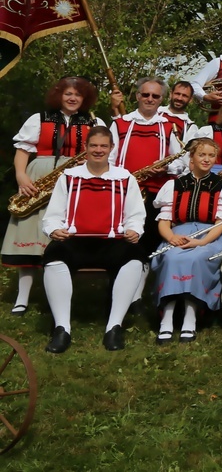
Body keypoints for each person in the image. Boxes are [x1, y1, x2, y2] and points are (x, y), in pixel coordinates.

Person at [40, 126, 145, 353]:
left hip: (112, 242)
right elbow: (53, 215)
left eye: (103, 146)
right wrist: (54, 230)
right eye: (94, 145)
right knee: (54, 255)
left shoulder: (125, 178)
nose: (98, 150)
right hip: (75, 241)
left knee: (135, 257)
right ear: (86, 147)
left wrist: (134, 230)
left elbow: (136, 215)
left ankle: (114, 326)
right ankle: (62, 328)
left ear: (111, 148)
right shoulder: (69, 177)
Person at [7, 76, 103, 314]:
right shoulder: (38, 118)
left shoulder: (95, 122)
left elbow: (105, 154)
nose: (72, 98)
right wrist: (21, 176)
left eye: (78, 94)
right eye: (68, 93)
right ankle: (22, 298)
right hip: (39, 178)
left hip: (77, 179)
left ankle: (61, 296)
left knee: (65, 236)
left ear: (85, 99)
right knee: (30, 234)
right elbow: (22, 150)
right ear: (58, 95)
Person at [151, 137, 222, 343]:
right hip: (179, 233)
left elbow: (220, 222)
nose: (207, 159)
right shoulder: (174, 185)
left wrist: (201, 242)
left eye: (211, 155)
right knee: (172, 257)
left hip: (210, 236)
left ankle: (190, 317)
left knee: (197, 258)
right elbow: (164, 222)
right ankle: (167, 318)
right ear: (192, 158)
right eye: (202, 154)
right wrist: (172, 237)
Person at [109, 77, 185, 253]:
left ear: (161, 99)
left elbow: (181, 162)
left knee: (149, 240)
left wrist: (166, 168)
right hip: (123, 191)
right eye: (145, 95)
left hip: (155, 194)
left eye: (155, 96)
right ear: (137, 96)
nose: (150, 99)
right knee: (120, 239)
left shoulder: (168, 127)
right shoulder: (120, 123)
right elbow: (109, 159)